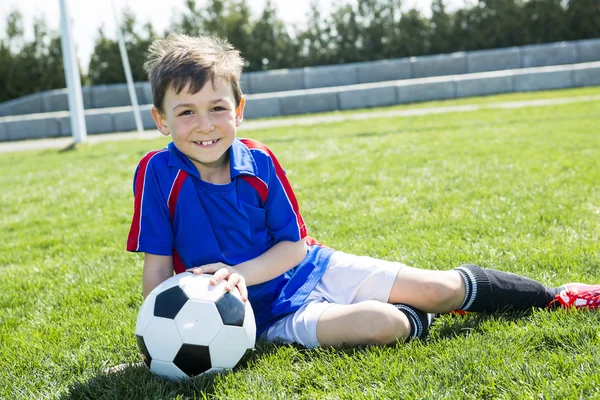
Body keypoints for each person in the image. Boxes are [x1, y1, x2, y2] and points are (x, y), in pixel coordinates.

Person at [126, 33, 599, 349]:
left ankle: (554, 296)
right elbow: (158, 268)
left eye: (217, 108)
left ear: (239, 109)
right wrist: (156, 341)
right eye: (186, 112)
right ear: (161, 120)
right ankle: (406, 316)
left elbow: (294, 247)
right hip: (255, 317)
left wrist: (236, 272)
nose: (205, 125)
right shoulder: (156, 174)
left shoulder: (259, 161)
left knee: (439, 288)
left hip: (309, 268)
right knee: (382, 324)